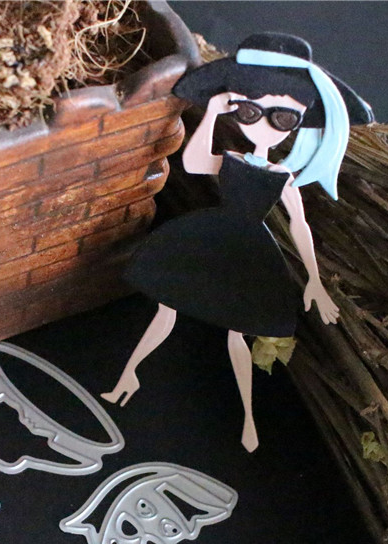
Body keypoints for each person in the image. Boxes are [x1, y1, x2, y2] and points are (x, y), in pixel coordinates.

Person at [102, 33, 373, 451]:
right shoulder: (232, 159)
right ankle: (128, 374)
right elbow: (194, 162)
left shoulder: (283, 177)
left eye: (282, 118)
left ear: (300, 121)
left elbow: (299, 224)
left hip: (248, 251)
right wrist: (211, 114)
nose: (262, 125)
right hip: (209, 235)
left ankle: (248, 416)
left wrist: (315, 280)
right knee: (166, 308)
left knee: (237, 335)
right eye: (249, 111)